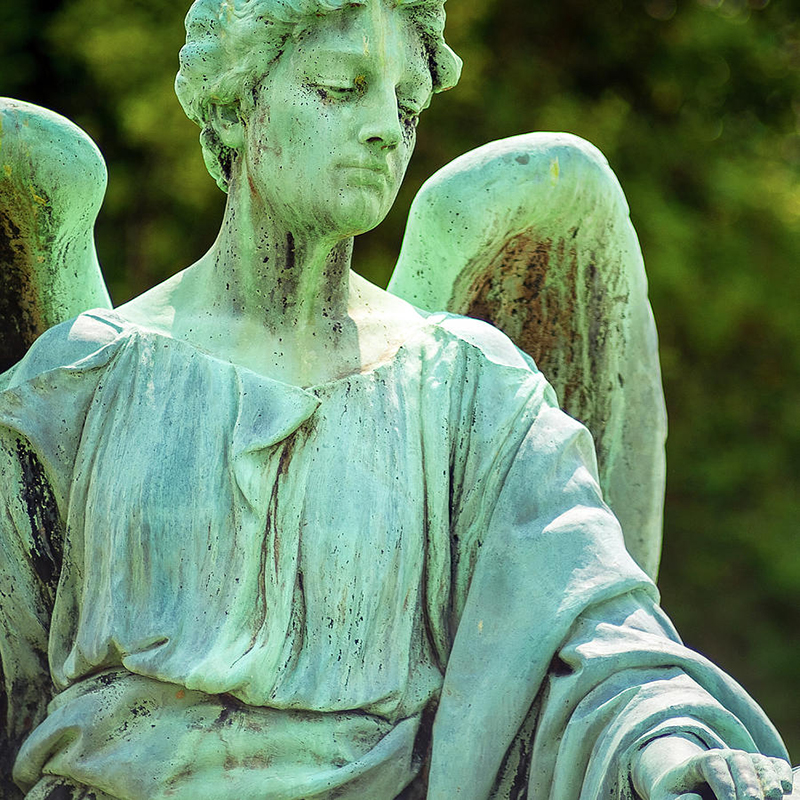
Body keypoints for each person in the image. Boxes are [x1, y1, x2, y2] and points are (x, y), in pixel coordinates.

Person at [0, 1, 794, 798]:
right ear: (236, 104)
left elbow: (591, 636)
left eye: (407, 105)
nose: (386, 128)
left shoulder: (471, 391)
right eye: (342, 88)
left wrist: (678, 760)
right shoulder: (81, 380)